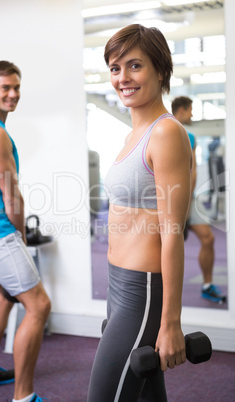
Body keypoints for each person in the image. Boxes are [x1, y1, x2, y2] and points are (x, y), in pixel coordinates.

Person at [87, 25, 192, 402]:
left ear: (160, 70)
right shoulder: (132, 134)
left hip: (144, 292)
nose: (122, 78)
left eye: (134, 66)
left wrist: (171, 323)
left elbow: (172, 233)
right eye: (115, 68)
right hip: (118, 285)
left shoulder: (165, 134)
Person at [0, 61, 51, 402]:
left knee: (5, 295)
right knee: (39, 306)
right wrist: (21, 237)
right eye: (5, 88)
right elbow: (11, 193)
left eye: (16, 87)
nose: (13, 94)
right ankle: (23, 396)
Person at [171, 96, 226, 304]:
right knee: (164, 246)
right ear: (182, 110)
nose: (192, 115)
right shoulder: (168, 131)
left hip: (187, 199)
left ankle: (207, 285)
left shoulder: (190, 136)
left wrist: (186, 206)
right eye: (191, 110)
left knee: (208, 238)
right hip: (168, 200)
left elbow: (191, 173)